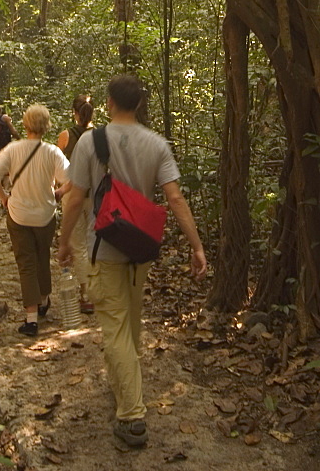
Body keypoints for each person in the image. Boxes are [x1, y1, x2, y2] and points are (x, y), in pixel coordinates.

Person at [58, 74, 207, 450]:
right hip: (140, 249)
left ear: (109, 102)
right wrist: (197, 246)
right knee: (131, 325)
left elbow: (75, 199)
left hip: (103, 248)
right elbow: (175, 198)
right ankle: (125, 388)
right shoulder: (157, 144)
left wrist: (63, 243)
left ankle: (131, 417)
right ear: (139, 104)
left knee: (116, 330)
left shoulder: (91, 141)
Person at [0, 103, 69, 337]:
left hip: (19, 215)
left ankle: (32, 319)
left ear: (25, 125)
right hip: (45, 215)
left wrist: (3, 197)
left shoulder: (13, 150)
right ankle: (44, 300)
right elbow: (71, 179)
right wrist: (59, 193)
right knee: (42, 256)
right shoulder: (53, 152)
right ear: (46, 126)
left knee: (26, 263)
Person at [56, 94, 95, 313]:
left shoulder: (66, 136)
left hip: (72, 194)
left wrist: (57, 188)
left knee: (78, 245)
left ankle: (86, 294)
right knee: (92, 243)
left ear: (74, 112)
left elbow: (55, 164)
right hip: (95, 195)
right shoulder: (100, 135)